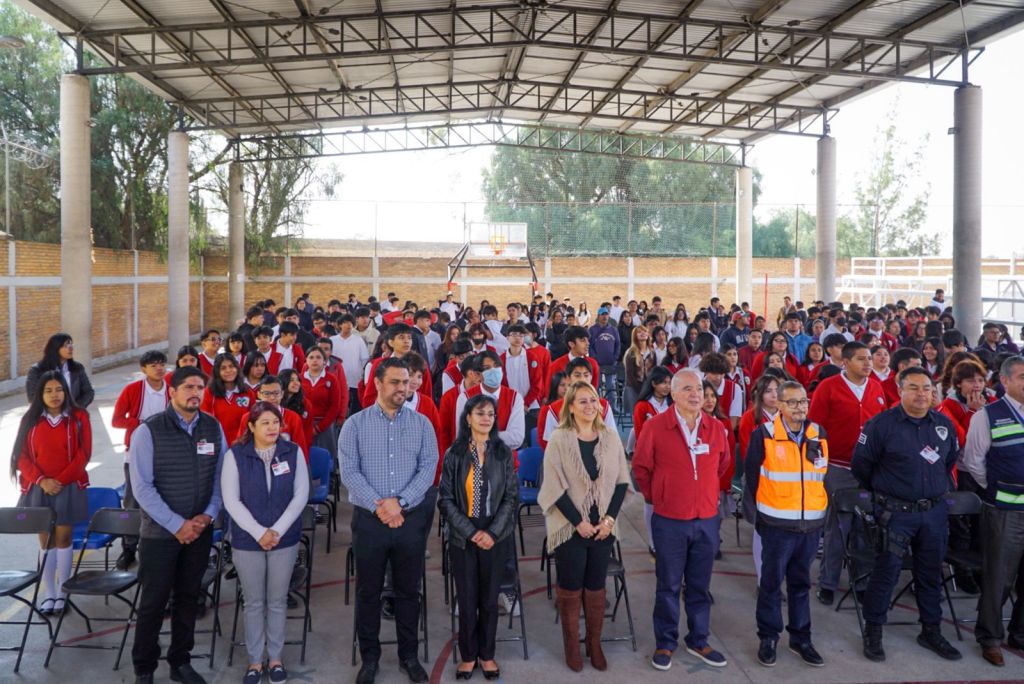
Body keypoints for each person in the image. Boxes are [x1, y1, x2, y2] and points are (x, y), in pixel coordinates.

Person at [852, 366, 961, 663]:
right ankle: (873, 630)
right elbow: (861, 466)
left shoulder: (942, 425)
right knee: (885, 573)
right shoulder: (880, 425)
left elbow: (950, 458)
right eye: (913, 387)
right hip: (895, 514)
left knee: (930, 573)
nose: (921, 394)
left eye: (927, 388)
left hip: (934, 513)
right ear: (900, 390)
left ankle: (931, 630)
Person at [340, 357, 439, 684]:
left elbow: (428, 469)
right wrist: (379, 505)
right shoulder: (355, 425)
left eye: (406, 382)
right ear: (378, 384)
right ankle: (370, 658)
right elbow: (349, 472)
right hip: (369, 522)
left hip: (409, 521)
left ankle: (408, 656)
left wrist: (401, 503)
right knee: (369, 592)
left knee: (408, 591)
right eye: (395, 382)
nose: (402, 388)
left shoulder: (422, 424)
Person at [129, 365, 226, 684]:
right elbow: (142, 488)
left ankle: (180, 661)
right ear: (172, 392)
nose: (196, 392)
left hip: (199, 532)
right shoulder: (148, 430)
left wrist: (208, 514)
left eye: (200, 387)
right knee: (154, 602)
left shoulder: (213, 428)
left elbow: (220, 478)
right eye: (188, 387)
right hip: (160, 535)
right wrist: (176, 525)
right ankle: (145, 667)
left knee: (188, 598)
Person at [633, 369, 731, 671]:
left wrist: (704, 495)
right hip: (670, 520)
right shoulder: (655, 427)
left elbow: (723, 465)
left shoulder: (715, 428)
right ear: (673, 394)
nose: (696, 394)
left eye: (699, 389)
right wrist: (661, 497)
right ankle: (665, 642)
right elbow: (641, 468)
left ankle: (698, 638)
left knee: (700, 586)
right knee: (669, 585)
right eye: (688, 389)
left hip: (706, 520)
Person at [538, 381, 632, 672]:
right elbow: (554, 487)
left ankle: (594, 643)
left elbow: (621, 483)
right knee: (570, 587)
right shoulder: (560, 439)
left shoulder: (610, 438)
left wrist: (609, 520)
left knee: (596, 586)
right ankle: (572, 647)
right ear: (571, 406)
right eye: (582, 401)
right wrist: (578, 522)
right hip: (571, 528)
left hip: (602, 527)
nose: (590, 406)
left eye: (593, 400)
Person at [221, 402, 309, 684]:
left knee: (277, 600)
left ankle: (275, 658)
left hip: (284, 540)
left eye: (276, 422)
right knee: (254, 602)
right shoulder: (236, 455)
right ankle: (255, 661)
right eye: (265, 423)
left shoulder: (292, 453)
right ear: (251, 427)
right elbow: (231, 500)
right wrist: (259, 532)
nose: (272, 428)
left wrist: (278, 530)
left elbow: (300, 495)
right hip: (248, 540)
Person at [744, 381, 828, 668]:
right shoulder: (764, 435)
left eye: (803, 401)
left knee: (801, 583)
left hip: (810, 526)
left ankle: (801, 637)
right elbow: (752, 480)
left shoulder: (818, 434)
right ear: (778, 405)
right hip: (777, 526)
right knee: (770, 585)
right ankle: (768, 637)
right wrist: (760, 519)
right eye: (792, 402)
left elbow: (821, 477)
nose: (800, 407)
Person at [438, 394, 518, 680]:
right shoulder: (455, 453)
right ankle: (468, 656)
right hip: (464, 535)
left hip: (496, 535)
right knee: (468, 597)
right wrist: (471, 532)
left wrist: (492, 532)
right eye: (480, 413)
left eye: (491, 414)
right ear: (468, 417)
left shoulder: (502, 452)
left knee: (489, 599)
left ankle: (487, 655)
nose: (487, 418)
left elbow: (511, 497)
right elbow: (445, 499)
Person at [809, 341, 886, 606]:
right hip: (838, 467)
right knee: (838, 526)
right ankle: (828, 582)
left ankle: (861, 580)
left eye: (869, 359)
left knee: (866, 527)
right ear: (846, 362)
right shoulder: (828, 388)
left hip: (869, 470)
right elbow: (815, 428)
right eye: (861, 359)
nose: (867, 364)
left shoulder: (876, 388)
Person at [11, 370, 91, 617]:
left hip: (68, 486)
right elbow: (21, 457)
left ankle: (63, 591)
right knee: (46, 541)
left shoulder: (78, 416)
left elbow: (84, 453)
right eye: (48, 391)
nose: (54, 395)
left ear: (66, 391)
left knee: (64, 538)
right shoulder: (31, 419)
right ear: (40, 394)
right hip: (39, 487)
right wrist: (42, 480)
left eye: (59, 389)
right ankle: (49, 594)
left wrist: (60, 480)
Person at [961, 355, 1024, 666]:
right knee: (1000, 577)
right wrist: (1001, 487)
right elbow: (973, 462)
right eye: (1023, 377)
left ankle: (1020, 634)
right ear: (1006, 382)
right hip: (1003, 511)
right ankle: (990, 637)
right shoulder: (987, 416)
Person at [112, 351, 170, 569]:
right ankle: (128, 548)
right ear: (144, 369)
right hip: (136, 453)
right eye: (153, 365)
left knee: (165, 497)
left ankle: (161, 543)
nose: (159, 368)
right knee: (133, 500)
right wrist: (142, 424)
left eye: (162, 364)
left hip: (166, 454)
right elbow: (117, 420)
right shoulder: (133, 390)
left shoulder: (172, 390)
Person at [26, 333, 94, 408]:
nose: (71, 348)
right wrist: (54, 411)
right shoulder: (37, 370)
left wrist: (75, 407)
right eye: (66, 345)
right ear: (55, 348)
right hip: (47, 416)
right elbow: (32, 397)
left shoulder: (77, 368)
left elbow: (88, 392)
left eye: (71, 345)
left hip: (73, 415)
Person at [199, 353, 256, 440]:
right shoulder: (209, 393)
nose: (228, 370)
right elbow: (204, 422)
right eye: (223, 368)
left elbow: (254, 420)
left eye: (231, 366)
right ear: (217, 372)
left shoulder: (248, 392)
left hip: (243, 444)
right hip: (217, 443)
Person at [301, 346, 345, 456]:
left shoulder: (331, 379)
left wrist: (319, 428)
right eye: (311, 357)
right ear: (306, 360)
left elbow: (335, 405)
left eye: (318, 357)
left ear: (324, 361)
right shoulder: (299, 379)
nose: (314, 360)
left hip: (325, 425)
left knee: (325, 458)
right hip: (304, 424)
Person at [330, 313, 371, 417]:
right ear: (340, 325)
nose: (348, 325)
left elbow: (364, 359)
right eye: (345, 323)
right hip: (336, 379)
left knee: (354, 409)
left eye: (351, 323)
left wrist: (361, 373)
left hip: (354, 380)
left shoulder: (358, 340)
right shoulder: (332, 340)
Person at [589, 307, 621, 414]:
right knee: (596, 386)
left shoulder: (613, 330)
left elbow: (618, 344)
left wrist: (615, 357)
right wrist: (594, 358)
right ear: (598, 316)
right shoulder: (593, 329)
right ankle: (596, 406)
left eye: (606, 314)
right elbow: (589, 346)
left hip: (610, 363)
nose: (604, 317)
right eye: (602, 314)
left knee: (610, 386)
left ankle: (613, 407)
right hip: (597, 363)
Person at [623, 326, 655, 420]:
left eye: (644, 331)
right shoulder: (631, 353)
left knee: (649, 415)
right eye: (639, 332)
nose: (642, 333)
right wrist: (640, 389)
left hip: (648, 388)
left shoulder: (652, 352)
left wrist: (649, 387)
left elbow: (653, 371)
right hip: (634, 387)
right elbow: (629, 374)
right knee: (637, 416)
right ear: (635, 336)